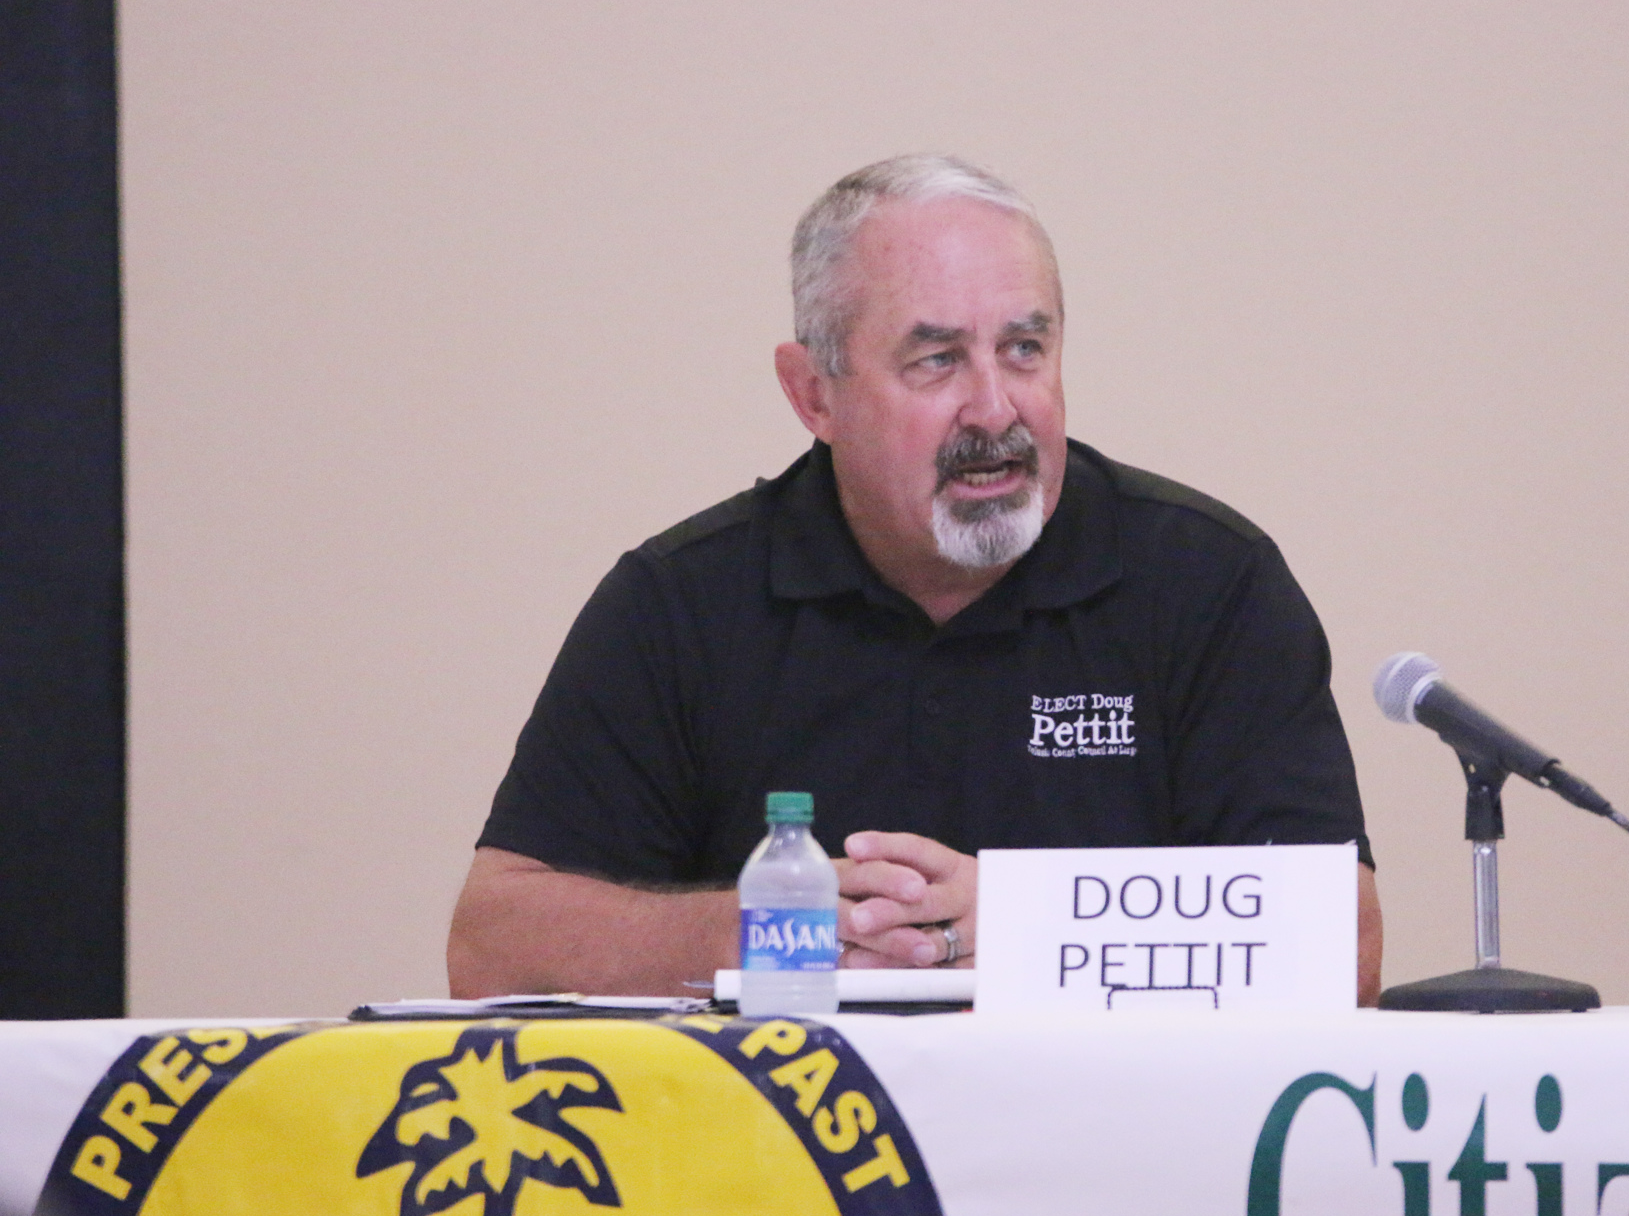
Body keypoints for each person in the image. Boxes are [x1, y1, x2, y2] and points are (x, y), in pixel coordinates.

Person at [448, 155, 1384, 1003]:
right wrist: (793, 929)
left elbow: (1347, 946)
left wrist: (1033, 928)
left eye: (1025, 349)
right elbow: (493, 947)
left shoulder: (1206, 581)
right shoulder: (681, 604)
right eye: (936, 359)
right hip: (787, 1167)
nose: (995, 407)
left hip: (1120, 1157)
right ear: (814, 393)